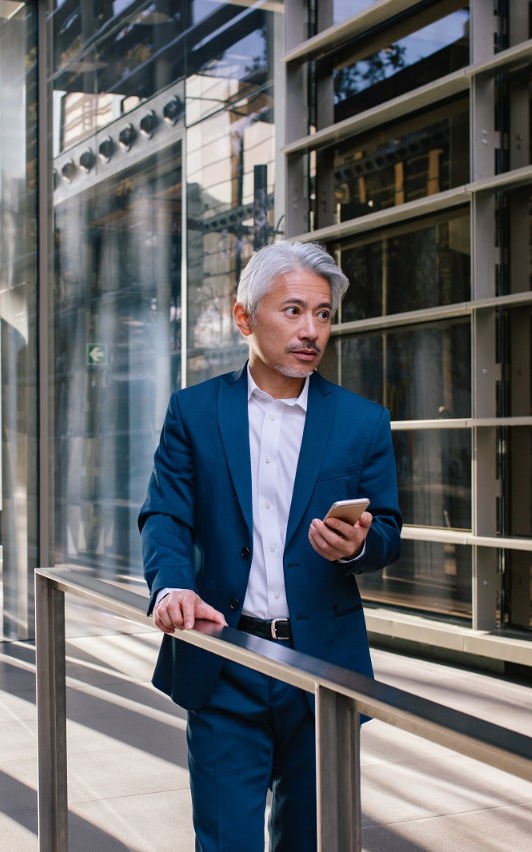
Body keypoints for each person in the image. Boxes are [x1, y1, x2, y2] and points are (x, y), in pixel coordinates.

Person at [138, 240, 402, 850]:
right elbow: (166, 517)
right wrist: (172, 584)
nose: (312, 329)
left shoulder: (362, 422)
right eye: (293, 311)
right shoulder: (195, 412)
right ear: (243, 317)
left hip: (323, 670)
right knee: (227, 839)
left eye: (324, 314)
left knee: (310, 841)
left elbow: (387, 531)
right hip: (223, 656)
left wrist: (358, 547)